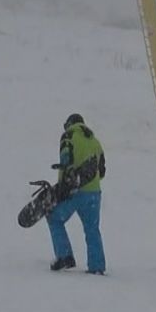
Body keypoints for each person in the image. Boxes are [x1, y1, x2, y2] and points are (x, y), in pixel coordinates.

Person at [47, 113, 107, 274]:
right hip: (94, 193)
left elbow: (66, 160)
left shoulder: (68, 136)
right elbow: (101, 171)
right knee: (92, 229)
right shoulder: (95, 141)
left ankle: (65, 256)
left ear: (69, 124)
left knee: (54, 218)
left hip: (75, 190)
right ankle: (97, 267)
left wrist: (63, 185)